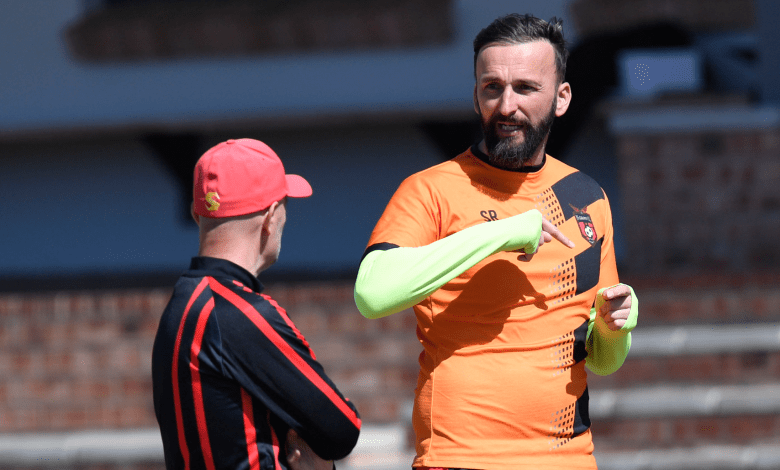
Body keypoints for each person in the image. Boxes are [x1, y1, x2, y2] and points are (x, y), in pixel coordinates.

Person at [354, 14, 638, 470]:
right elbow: (372, 292)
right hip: (461, 457)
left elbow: (602, 360)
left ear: (561, 98)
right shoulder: (431, 189)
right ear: (475, 96)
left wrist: (613, 326)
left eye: (525, 88)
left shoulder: (587, 197)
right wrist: (501, 232)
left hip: (568, 459)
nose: (507, 105)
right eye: (492, 88)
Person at [152, 138, 361, 470]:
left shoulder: (180, 304)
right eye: (285, 205)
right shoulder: (238, 312)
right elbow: (342, 429)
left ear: (197, 214)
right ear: (269, 216)